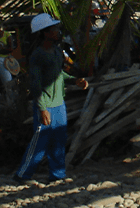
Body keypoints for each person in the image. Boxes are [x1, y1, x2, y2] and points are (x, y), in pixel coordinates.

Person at [14, 14, 89, 183]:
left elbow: (58, 74)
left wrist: (74, 80)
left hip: (59, 103)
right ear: (45, 32)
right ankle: (22, 175)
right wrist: (42, 108)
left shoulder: (56, 51)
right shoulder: (38, 55)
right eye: (54, 29)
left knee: (59, 141)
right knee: (39, 142)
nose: (58, 31)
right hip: (46, 105)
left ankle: (57, 175)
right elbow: (35, 84)